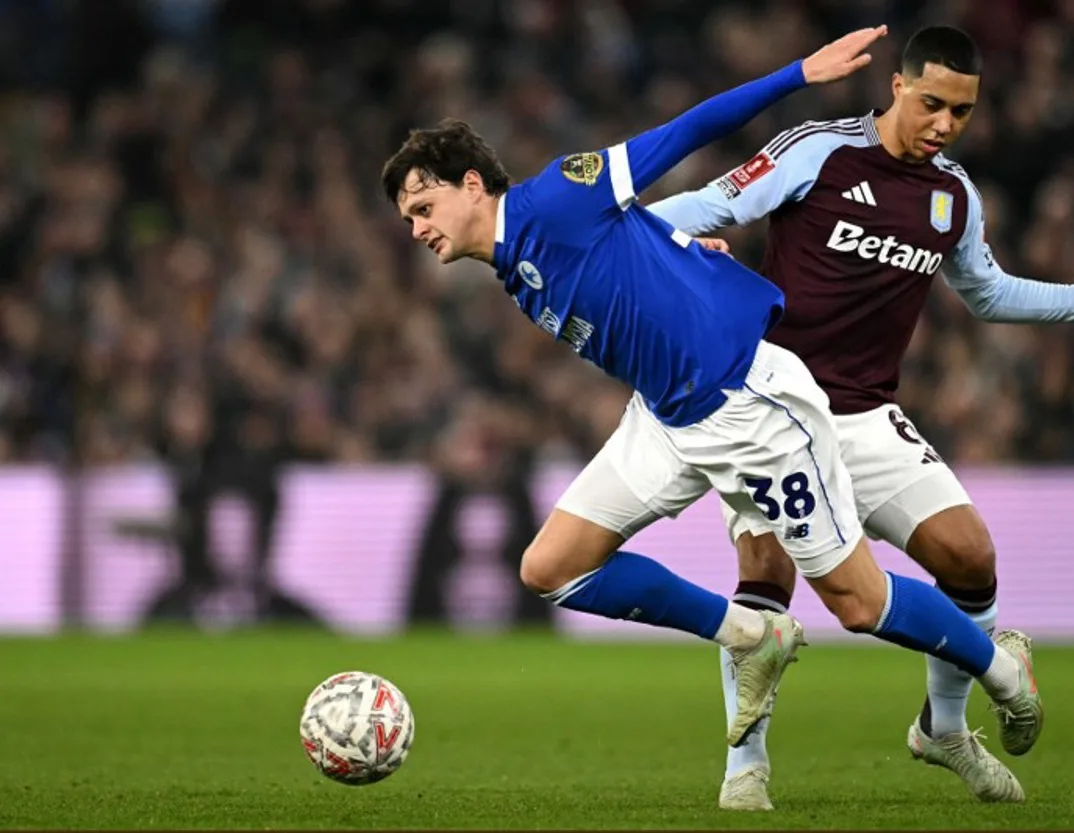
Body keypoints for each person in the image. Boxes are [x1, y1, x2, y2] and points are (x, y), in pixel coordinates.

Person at [380, 25, 1040, 758]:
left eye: (423, 206)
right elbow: (632, 258)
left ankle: (1002, 670)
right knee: (550, 568)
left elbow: (686, 131)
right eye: (409, 218)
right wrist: (681, 252)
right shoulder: (514, 264)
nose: (417, 228)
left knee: (858, 600)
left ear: (472, 184)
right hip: (666, 418)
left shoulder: (557, 196)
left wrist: (794, 74)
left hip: (749, 405)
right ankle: (750, 632)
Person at [648, 25, 1074, 808]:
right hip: (768, 406)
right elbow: (698, 205)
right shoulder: (818, 152)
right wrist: (678, 244)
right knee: (766, 572)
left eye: (961, 112)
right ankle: (746, 767)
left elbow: (991, 293)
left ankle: (942, 725)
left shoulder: (953, 197)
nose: (944, 123)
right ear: (897, 87)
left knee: (969, 558)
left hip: (867, 416)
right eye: (932, 102)